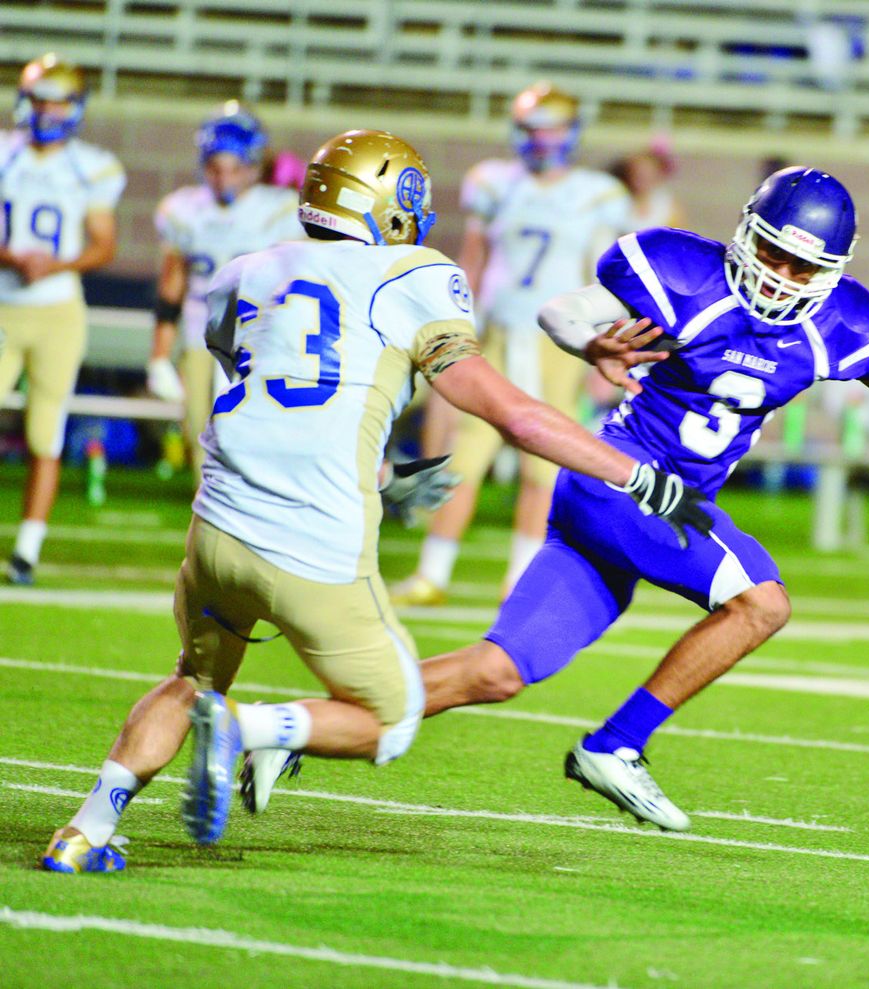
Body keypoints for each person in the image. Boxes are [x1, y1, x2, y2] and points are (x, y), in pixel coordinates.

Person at [248, 165, 869, 833]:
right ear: (746, 235)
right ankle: (616, 745)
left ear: (832, 273)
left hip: (625, 508)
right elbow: (559, 309)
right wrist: (594, 340)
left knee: (496, 671)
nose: (783, 276)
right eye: (774, 253)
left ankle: (290, 727)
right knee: (762, 602)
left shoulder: (836, 326)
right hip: (623, 479)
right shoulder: (684, 272)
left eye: (804, 266)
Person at [40, 128, 709, 872]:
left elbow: (279, 403)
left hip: (216, 529)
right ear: (394, 203)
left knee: (190, 676)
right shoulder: (412, 274)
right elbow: (514, 416)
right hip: (312, 543)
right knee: (389, 719)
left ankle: (83, 832)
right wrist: (635, 474)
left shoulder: (242, 272)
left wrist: (384, 476)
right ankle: (239, 726)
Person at [393, 81, 632, 605]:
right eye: (530, 130)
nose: (540, 141)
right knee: (462, 455)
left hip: (561, 342)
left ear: (571, 133)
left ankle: (521, 577)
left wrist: (602, 350)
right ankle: (433, 572)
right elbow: (472, 262)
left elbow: (606, 278)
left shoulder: (598, 195)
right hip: (496, 333)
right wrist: (452, 326)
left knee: (546, 462)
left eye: (549, 130)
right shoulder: (494, 182)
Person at [0, 54, 125, 585]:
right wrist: (13, 257)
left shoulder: (91, 166)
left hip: (57, 310)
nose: (45, 109)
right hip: (4, 303)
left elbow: (103, 244)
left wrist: (56, 263)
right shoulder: (5, 153)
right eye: (40, 97)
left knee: (45, 433)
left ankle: (27, 549)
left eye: (56, 99)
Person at [146, 102, 302, 480]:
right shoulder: (185, 209)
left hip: (260, 337)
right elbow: (171, 287)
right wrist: (159, 356)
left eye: (235, 168)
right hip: (202, 335)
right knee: (200, 434)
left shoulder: (279, 209)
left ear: (253, 164)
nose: (223, 178)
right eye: (216, 168)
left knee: (258, 435)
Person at [610, 139, 686, 231]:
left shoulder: (667, 207)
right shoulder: (615, 201)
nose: (641, 180)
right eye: (636, 174)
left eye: (647, 175)